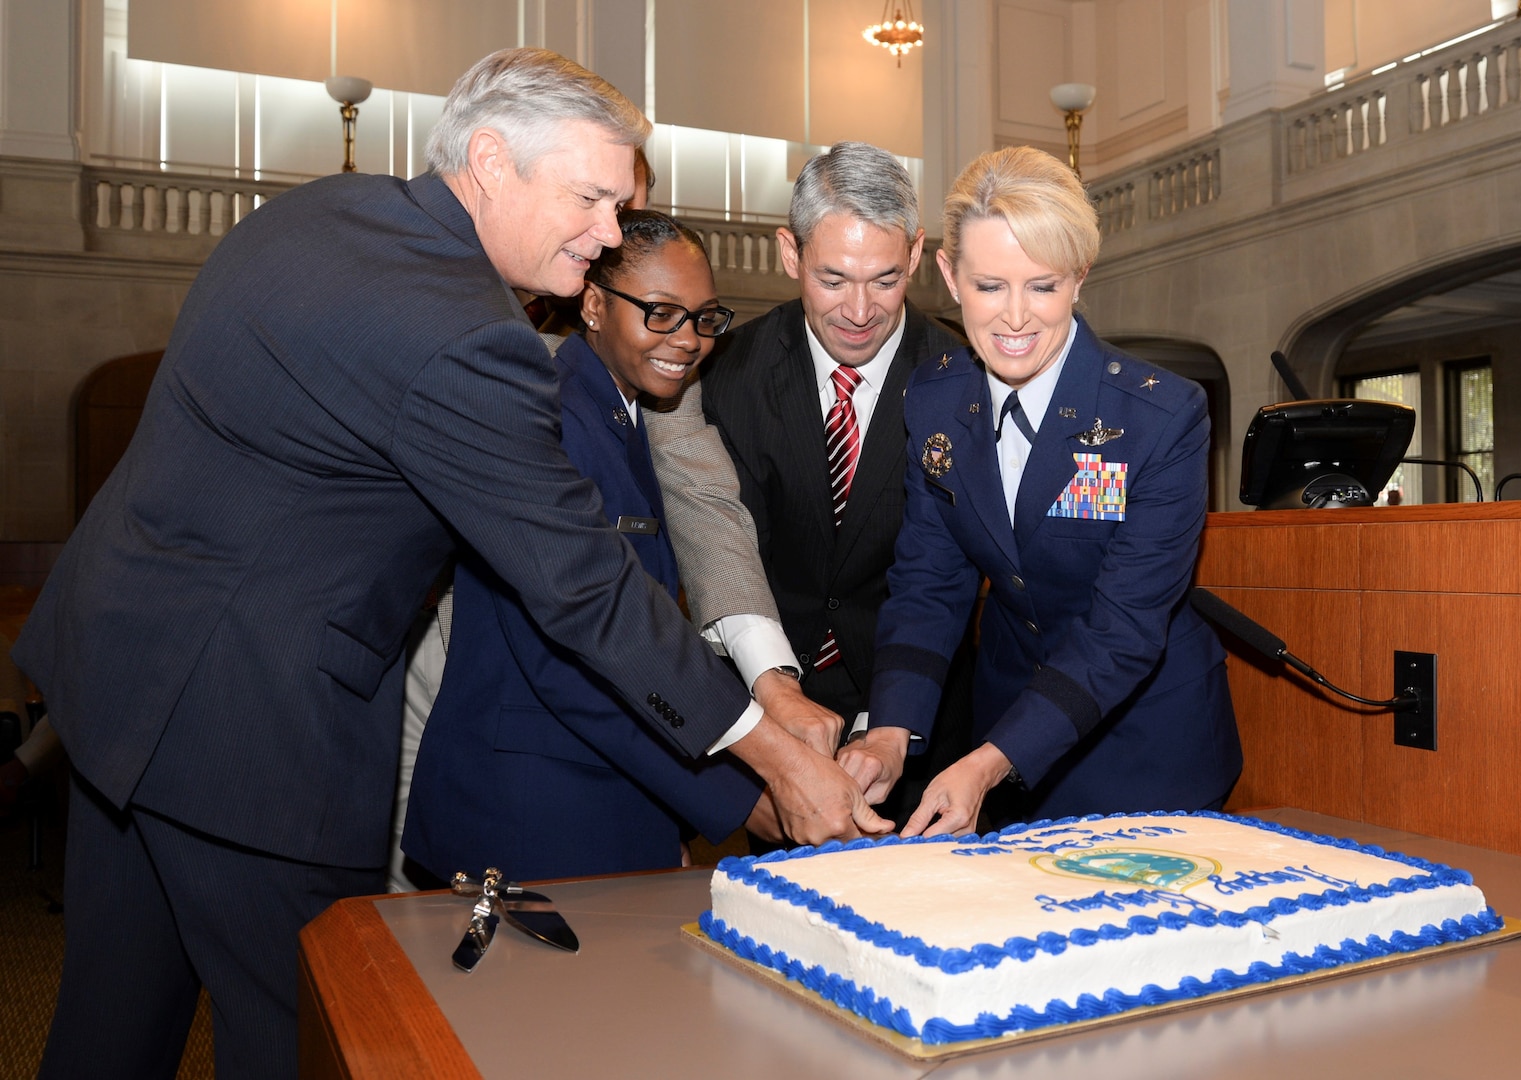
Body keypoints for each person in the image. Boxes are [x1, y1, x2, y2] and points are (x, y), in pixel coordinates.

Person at [12, 48, 884, 1080]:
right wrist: (775, 756)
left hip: (118, 681)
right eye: (594, 198)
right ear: (488, 159)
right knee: (314, 1042)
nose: (611, 233)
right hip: (254, 735)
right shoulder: (469, 335)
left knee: (110, 1031)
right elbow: (582, 586)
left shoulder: (323, 214)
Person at [860, 145, 1243, 837]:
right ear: (948, 275)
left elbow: (1123, 628)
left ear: (1078, 279)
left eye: (1041, 286)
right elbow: (928, 583)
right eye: (988, 286)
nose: (1013, 318)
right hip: (1007, 737)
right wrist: (892, 727)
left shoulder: (1159, 415)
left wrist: (987, 764)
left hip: (1146, 742)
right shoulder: (934, 398)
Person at [405, 210, 781, 881]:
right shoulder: (550, 418)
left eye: (704, 317)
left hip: (591, 805)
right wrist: (740, 792)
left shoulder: (621, 409)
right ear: (594, 304)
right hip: (528, 821)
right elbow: (572, 662)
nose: (689, 339)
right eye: (661, 313)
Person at [701, 141, 973, 823]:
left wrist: (893, 721)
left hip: (922, 710)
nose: (859, 309)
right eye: (832, 279)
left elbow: (946, 576)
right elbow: (715, 550)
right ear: (789, 255)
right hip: (767, 714)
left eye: (884, 278)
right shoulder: (726, 374)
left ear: (915, 255)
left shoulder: (963, 382)